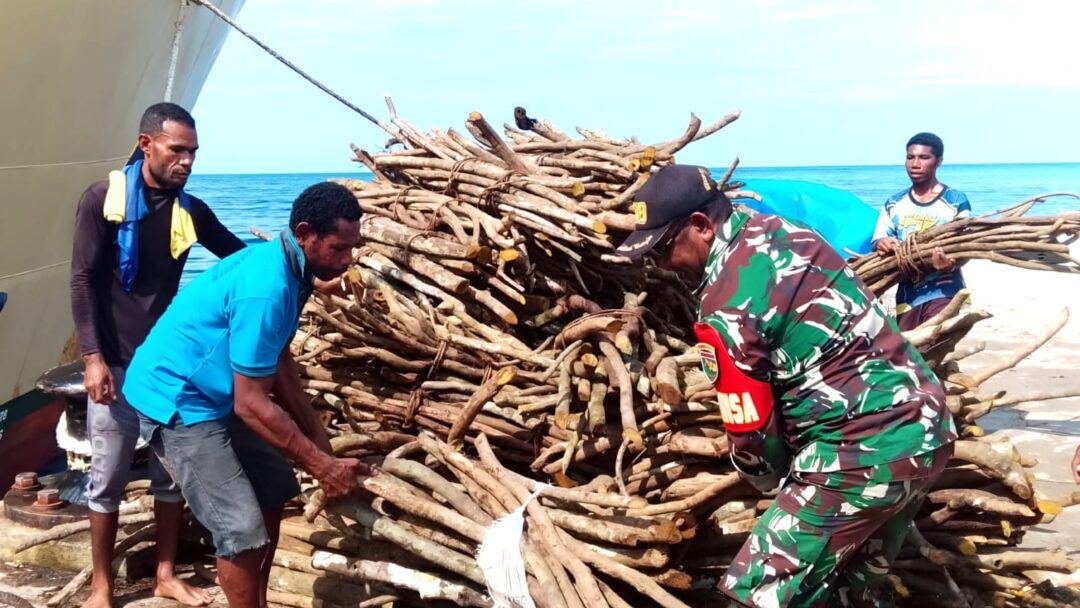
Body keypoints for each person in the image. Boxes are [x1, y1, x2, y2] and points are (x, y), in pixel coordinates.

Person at [616, 165, 957, 607]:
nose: (659, 263)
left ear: (700, 226)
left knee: (753, 595)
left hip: (861, 451)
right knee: (846, 590)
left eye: (662, 248)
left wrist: (767, 480)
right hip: (927, 429)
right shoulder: (783, 229)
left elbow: (751, 431)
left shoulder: (727, 301)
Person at [121, 181, 369, 608]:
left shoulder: (295, 269)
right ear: (306, 233)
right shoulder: (266, 286)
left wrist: (319, 442)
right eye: (338, 249)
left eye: (352, 249)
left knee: (275, 485)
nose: (347, 261)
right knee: (240, 529)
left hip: (217, 390)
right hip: (179, 399)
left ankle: (255, 600)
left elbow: (282, 366)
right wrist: (323, 467)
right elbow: (251, 403)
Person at [70, 102, 246, 608]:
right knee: (107, 479)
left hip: (168, 369)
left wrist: (306, 269)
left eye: (193, 151)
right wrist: (92, 358)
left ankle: (165, 575)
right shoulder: (104, 200)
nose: (187, 160)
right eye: (178, 149)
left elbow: (238, 260)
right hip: (117, 365)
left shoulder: (190, 210)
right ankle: (102, 586)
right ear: (146, 144)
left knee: (172, 478)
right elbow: (82, 280)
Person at [872, 132, 971, 331]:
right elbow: (878, 240)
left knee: (934, 346)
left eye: (924, 157)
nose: (915, 164)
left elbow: (966, 247)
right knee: (913, 355)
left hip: (944, 291)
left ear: (939, 161)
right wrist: (882, 243)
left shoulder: (955, 201)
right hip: (908, 295)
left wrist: (949, 265)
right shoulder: (894, 203)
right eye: (910, 157)